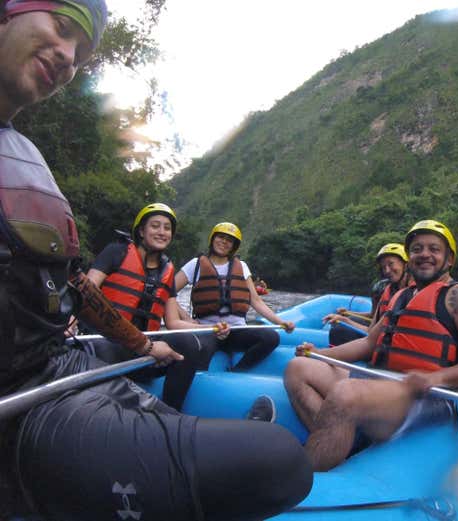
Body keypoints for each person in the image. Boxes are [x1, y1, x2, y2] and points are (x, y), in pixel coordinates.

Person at [0, 2, 312, 519]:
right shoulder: (128, 252)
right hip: (23, 404)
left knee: (179, 366)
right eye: (60, 28)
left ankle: (178, 427)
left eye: (80, 52)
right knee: (281, 462)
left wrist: (146, 342)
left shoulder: (27, 156)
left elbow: (76, 286)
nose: (66, 55)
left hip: (61, 365)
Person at [284, 220, 458, 471]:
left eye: (434, 249)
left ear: (449, 259)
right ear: (409, 257)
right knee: (298, 368)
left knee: (346, 393)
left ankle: (305, 479)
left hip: (427, 395)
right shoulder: (402, 295)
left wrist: (439, 378)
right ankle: (339, 439)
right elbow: (369, 343)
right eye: (417, 249)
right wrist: (320, 354)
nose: (424, 254)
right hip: (385, 383)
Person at [78, 203, 228, 411]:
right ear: (141, 231)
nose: (162, 232)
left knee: (189, 344)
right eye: (155, 226)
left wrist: (211, 329)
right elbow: (85, 292)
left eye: (167, 228)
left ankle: (170, 410)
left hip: (144, 351)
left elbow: (173, 322)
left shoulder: (167, 269)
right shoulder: (116, 252)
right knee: (105, 347)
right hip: (107, 343)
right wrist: (68, 322)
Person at [175, 222, 295, 372]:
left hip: (236, 331)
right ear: (213, 239)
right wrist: (186, 318)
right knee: (197, 357)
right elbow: (167, 292)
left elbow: (255, 301)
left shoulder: (242, 266)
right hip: (207, 330)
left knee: (271, 338)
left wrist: (281, 322)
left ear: (234, 246)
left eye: (229, 240)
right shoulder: (195, 265)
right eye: (221, 237)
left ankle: (238, 371)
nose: (224, 242)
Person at [324, 242, 411, 345]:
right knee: (341, 327)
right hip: (382, 338)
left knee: (339, 330)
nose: (387, 270)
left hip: (395, 344)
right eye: (383, 267)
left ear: (405, 264)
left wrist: (344, 319)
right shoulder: (387, 291)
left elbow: (371, 330)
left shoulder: (414, 293)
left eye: (391, 264)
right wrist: (345, 315)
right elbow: (372, 326)